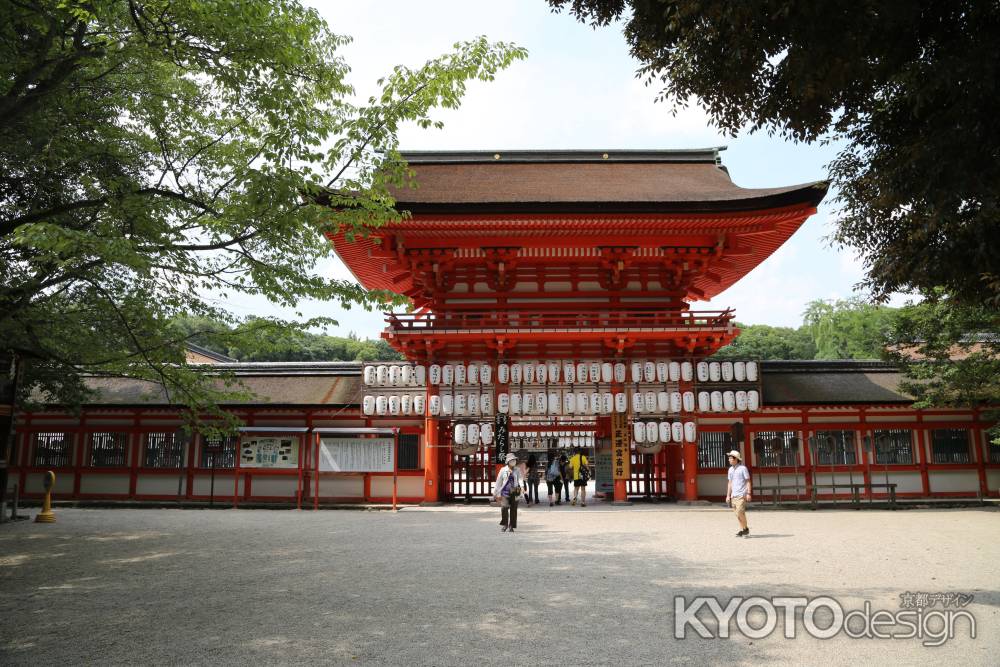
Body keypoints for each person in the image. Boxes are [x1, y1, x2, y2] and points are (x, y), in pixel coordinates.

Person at [493, 453, 523, 533]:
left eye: (514, 460)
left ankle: (511, 526)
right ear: (508, 461)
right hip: (505, 491)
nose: (513, 461)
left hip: (515, 490)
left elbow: (520, 479)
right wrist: (496, 491)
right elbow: (499, 481)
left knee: (514, 509)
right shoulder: (503, 470)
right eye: (512, 460)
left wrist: (522, 488)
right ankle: (505, 524)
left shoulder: (517, 469)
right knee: (504, 507)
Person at [725, 449, 752, 537]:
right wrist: (728, 495)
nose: (729, 459)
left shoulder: (743, 468)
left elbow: (748, 481)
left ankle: (745, 529)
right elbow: (730, 483)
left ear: (736, 459)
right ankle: (743, 529)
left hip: (741, 494)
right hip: (733, 495)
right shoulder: (730, 470)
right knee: (738, 514)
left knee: (740, 512)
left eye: (730, 458)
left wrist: (748, 493)